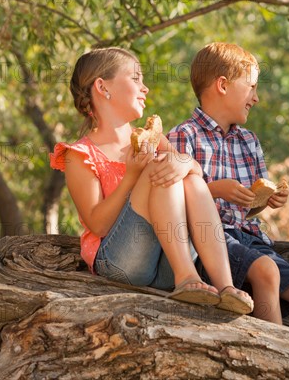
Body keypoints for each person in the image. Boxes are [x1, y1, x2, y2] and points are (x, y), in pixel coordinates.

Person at [49, 47, 253, 315]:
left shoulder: (152, 138)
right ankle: (187, 277)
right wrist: (132, 176)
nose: (145, 88)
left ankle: (224, 286)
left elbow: (195, 173)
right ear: (102, 87)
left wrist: (184, 162)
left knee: (188, 177)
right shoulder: (80, 154)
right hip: (120, 263)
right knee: (160, 167)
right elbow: (96, 224)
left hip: (165, 261)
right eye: (135, 79)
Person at [168, 42, 289, 341]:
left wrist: (266, 200)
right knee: (266, 272)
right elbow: (173, 202)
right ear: (222, 85)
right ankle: (276, 357)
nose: (256, 98)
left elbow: (249, 207)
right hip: (211, 241)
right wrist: (215, 191)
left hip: (251, 238)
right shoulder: (183, 136)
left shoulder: (249, 141)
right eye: (251, 87)